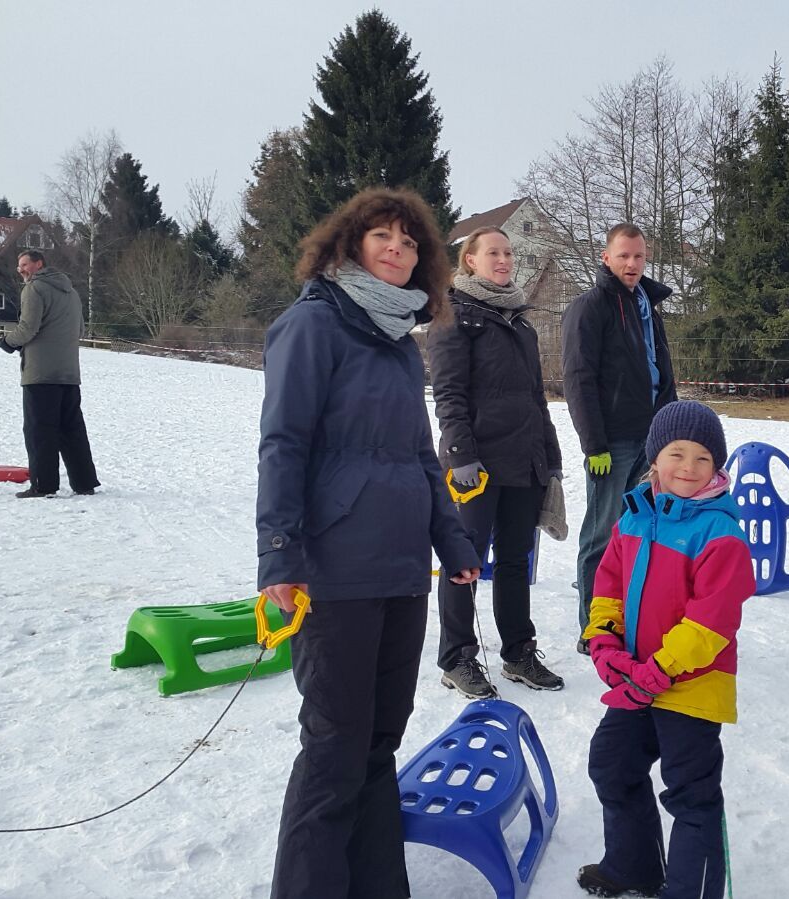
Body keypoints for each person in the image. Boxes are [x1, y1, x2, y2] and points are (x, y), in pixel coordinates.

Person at [256, 186, 482, 899]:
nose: (398, 249)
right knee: (333, 749)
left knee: (380, 742)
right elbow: (283, 445)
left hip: (399, 569)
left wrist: (451, 537)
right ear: (350, 242)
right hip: (334, 572)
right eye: (383, 235)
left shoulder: (395, 343)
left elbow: (420, 456)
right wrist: (279, 557)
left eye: (411, 242)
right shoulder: (312, 325)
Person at [577, 400, 755, 899]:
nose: (689, 468)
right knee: (612, 764)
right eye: (677, 454)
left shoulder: (720, 534)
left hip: (691, 685)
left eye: (703, 459)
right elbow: (608, 585)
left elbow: (710, 623)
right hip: (637, 680)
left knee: (691, 794)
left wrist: (657, 671)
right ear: (654, 459)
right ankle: (634, 867)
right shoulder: (635, 516)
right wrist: (605, 641)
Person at [429, 226, 565, 698]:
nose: (504, 259)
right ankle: (457, 658)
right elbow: (448, 394)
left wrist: (549, 456)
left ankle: (518, 653)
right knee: (463, 560)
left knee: (514, 561)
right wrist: (461, 456)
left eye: (508, 253)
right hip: (477, 464)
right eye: (494, 253)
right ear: (470, 260)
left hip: (523, 461)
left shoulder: (522, 325)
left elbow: (536, 399)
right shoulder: (454, 317)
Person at [563, 223, 678, 654]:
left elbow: (661, 375)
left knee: (640, 531)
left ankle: (628, 616)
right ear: (606, 257)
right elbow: (579, 378)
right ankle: (592, 625)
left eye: (640, 256)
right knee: (602, 534)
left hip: (651, 439)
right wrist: (594, 444)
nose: (632, 264)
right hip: (612, 443)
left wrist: (671, 432)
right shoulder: (590, 307)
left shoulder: (648, 307)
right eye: (624, 256)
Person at [0, 249, 99, 499]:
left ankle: (43, 485)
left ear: (38, 263)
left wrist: (8, 342)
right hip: (69, 373)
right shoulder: (72, 292)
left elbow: (28, 327)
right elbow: (80, 329)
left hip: (41, 373)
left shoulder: (34, 289)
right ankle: (84, 482)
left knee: (39, 430)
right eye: (18, 265)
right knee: (72, 429)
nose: (21, 269)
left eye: (24, 264)